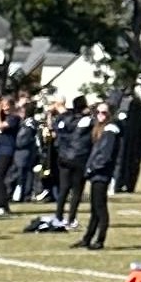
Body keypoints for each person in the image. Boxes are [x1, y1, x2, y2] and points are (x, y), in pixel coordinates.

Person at [75, 103, 119, 250]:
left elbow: (105, 156)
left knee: (100, 208)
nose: (100, 115)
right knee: (94, 207)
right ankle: (88, 238)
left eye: (104, 113)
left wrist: (93, 168)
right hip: (96, 173)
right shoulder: (99, 130)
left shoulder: (110, 131)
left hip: (101, 174)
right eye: (98, 112)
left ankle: (100, 240)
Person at [48, 97, 95, 229]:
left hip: (63, 157)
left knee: (63, 188)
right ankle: (71, 218)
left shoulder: (63, 119)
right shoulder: (86, 120)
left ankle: (58, 216)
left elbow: (54, 128)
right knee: (77, 191)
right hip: (79, 158)